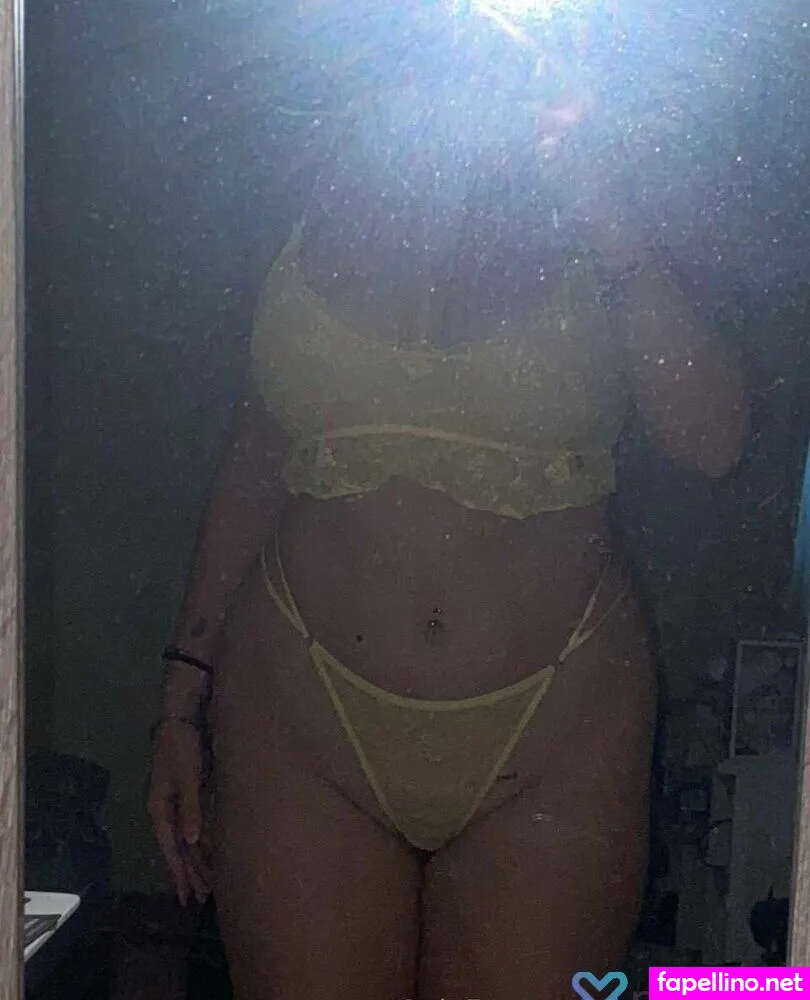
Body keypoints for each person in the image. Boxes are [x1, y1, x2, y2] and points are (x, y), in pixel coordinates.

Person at [148, 3, 749, 996]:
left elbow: (715, 440)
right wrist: (181, 697)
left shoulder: (621, 161)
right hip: (297, 713)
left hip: (562, 729)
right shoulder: (301, 160)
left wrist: (615, 223)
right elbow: (258, 450)